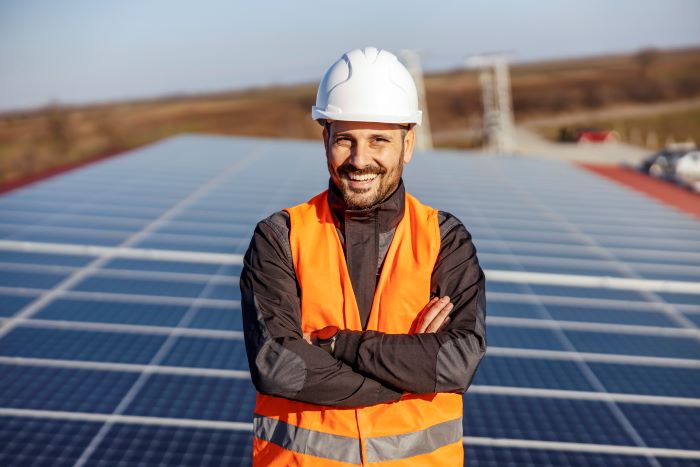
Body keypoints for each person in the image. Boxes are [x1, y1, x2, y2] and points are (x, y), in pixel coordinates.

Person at [241, 46, 486, 466]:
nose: (360, 160)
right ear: (325, 141)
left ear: (408, 144)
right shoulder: (279, 236)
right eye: (346, 141)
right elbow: (280, 368)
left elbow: (455, 364)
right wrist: (411, 371)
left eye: (379, 141)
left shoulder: (445, 239)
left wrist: (337, 344)